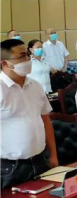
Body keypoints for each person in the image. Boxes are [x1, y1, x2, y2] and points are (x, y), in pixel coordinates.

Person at [1, 39, 58, 189]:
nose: (27, 59)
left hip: (40, 160)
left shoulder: (35, 86)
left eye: (27, 54)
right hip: (10, 168)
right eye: (21, 57)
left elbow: (46, 121)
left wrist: (53, 155)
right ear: (5, 63)